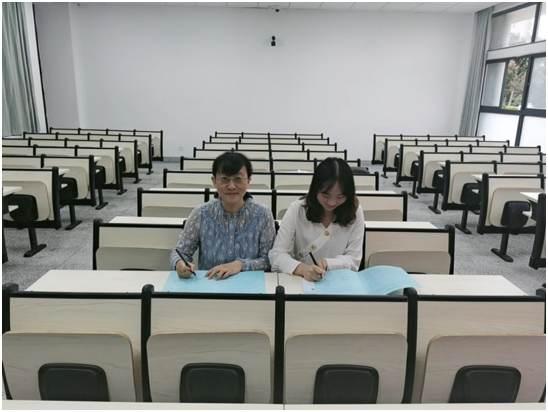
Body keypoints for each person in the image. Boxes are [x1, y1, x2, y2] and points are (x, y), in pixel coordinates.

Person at [170, 152, 276, 280]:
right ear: (214, 181)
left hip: (250, 286)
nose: (231, 186)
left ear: (248, 181)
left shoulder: (263, 214)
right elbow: (180, 252)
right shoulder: (201, 213)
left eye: (238, 179)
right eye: (224, 179)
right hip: (210, 285)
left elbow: (269, 260)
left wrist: (240, 264)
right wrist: (180, 264)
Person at [269, 157, 364, 282]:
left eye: (340, 196)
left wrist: (328, 263)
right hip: (301, 282)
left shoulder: (355, 212)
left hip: (340, 283)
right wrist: (303, 269)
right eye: (325, 195)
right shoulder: (298, 210)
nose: (332, 202)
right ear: (315, 189)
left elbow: (354, 260)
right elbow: (276, 255)